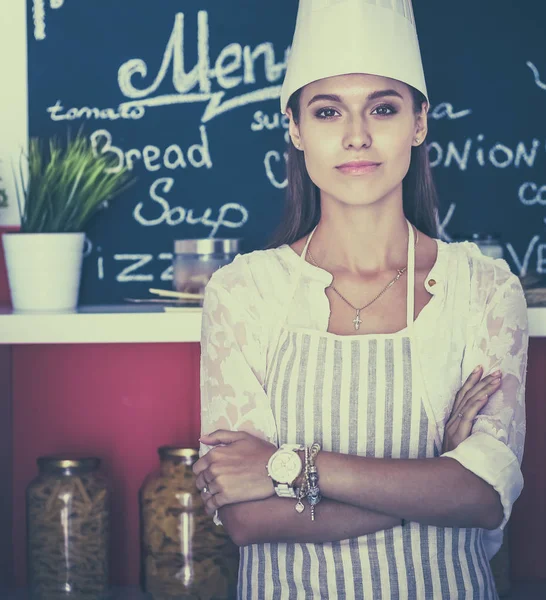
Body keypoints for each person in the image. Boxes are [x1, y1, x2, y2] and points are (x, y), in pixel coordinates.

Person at [193, 1, 529, 597]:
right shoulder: (243, 292)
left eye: (382, 108)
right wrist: (436, 476)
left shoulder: (484, 288)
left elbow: (482, 497)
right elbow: (247, 519)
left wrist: (288, 466)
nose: (356, 136)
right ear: (295, 129)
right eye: (327, 112)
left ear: (419, 123)